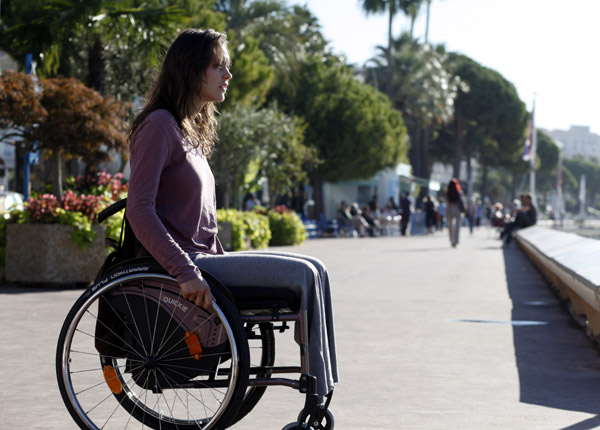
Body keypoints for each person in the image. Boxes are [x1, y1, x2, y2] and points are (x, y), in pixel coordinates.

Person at [126, 29, 338, 400]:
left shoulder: (187, 131)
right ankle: (316, 394)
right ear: (191, 70)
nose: (228, 75)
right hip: (184, 265)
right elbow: (138, 210)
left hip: (206, 259)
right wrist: (185, 272)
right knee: (304, 273)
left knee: (316, 268)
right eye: (218, 66)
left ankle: (323, 386)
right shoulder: (158, 126)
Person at [445, 178, 464, 247]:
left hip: (450, 209)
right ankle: (456, 241)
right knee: (457, 226)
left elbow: (447, 203)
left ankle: (451, 240)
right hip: (457, 209)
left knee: (450, 226)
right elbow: (462, 201)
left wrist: (446, 212)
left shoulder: (448, 192)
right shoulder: (459, 191)